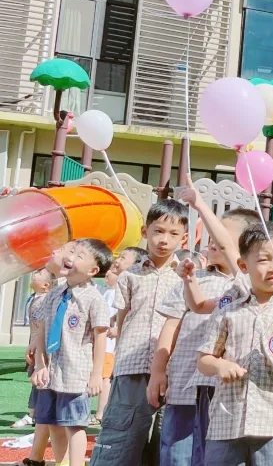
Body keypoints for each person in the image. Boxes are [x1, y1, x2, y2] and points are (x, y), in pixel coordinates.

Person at [196, 223, 273, 464]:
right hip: (227, 423)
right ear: (243, 265)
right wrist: (220, 366)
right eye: (263, 259)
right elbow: (204, 360)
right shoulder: (228, 312)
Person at [90, 199, 188, 466]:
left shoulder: (186, 276)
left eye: (173, 234)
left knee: (164, 440)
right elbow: (122, 319)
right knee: (123, 440)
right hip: (131, 367)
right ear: (145, 232)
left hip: (173, 370)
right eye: (157, 231)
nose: (164, 240)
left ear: (185, 238)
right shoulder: (130, 275)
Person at [150, 234, 235, 466]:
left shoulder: (246, 285)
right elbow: (171, 325)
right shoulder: (196, 279)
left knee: (213, 453)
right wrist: (158, 370)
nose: (214, 243)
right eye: (211, 239)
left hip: (222, 390)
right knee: (177, 451)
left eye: (223, 237)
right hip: (184, 380)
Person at [31, 239, 113, 466]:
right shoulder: (55, 293)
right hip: (50, 373)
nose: (70, 257)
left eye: (79, 256)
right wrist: (40, 364)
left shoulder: (93, 299)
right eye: (72, 252)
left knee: (74, 424)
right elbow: (43, 330)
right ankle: (62, 462)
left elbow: (100, 337)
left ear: (93, 271)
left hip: (75, 373)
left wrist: (96, 373)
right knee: (53, 423)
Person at [24, 241, 75, 466]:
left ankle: (66, 461)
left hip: (66, 363)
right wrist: (37, 346)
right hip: (49, 361)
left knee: (66, 418)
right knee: (49, 415)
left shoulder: (71, 288)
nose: (53, 251)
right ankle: (43, 458)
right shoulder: (56, 291)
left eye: (61, 250)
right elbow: (44, 323)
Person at [14, 268, 55, 430]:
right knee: (36, 380)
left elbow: (42, 326)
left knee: (39, 380)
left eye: (38, 274)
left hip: (42, 347)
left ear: (46, 285)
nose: (33, 275)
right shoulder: (35, 298)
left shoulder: (44, 300)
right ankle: (35, 413)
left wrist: (37, 346)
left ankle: (34, 414)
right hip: (35, 345)